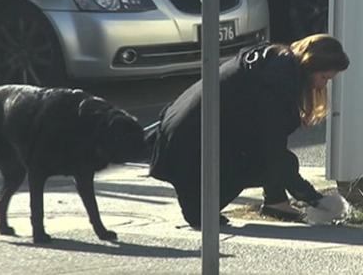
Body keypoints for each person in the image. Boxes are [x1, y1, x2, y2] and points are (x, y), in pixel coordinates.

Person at [147, 34, 350, 228]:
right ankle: (199, 206)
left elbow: (266, 137)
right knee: (280, 161)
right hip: (191, 150)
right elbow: (271, 149)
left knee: (275, 155)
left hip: (178, 137)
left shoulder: (271, 61)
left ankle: (276, 202)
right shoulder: (278, 82)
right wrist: (314, 199)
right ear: (309, 64)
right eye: (324, 77)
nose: (322, 85)